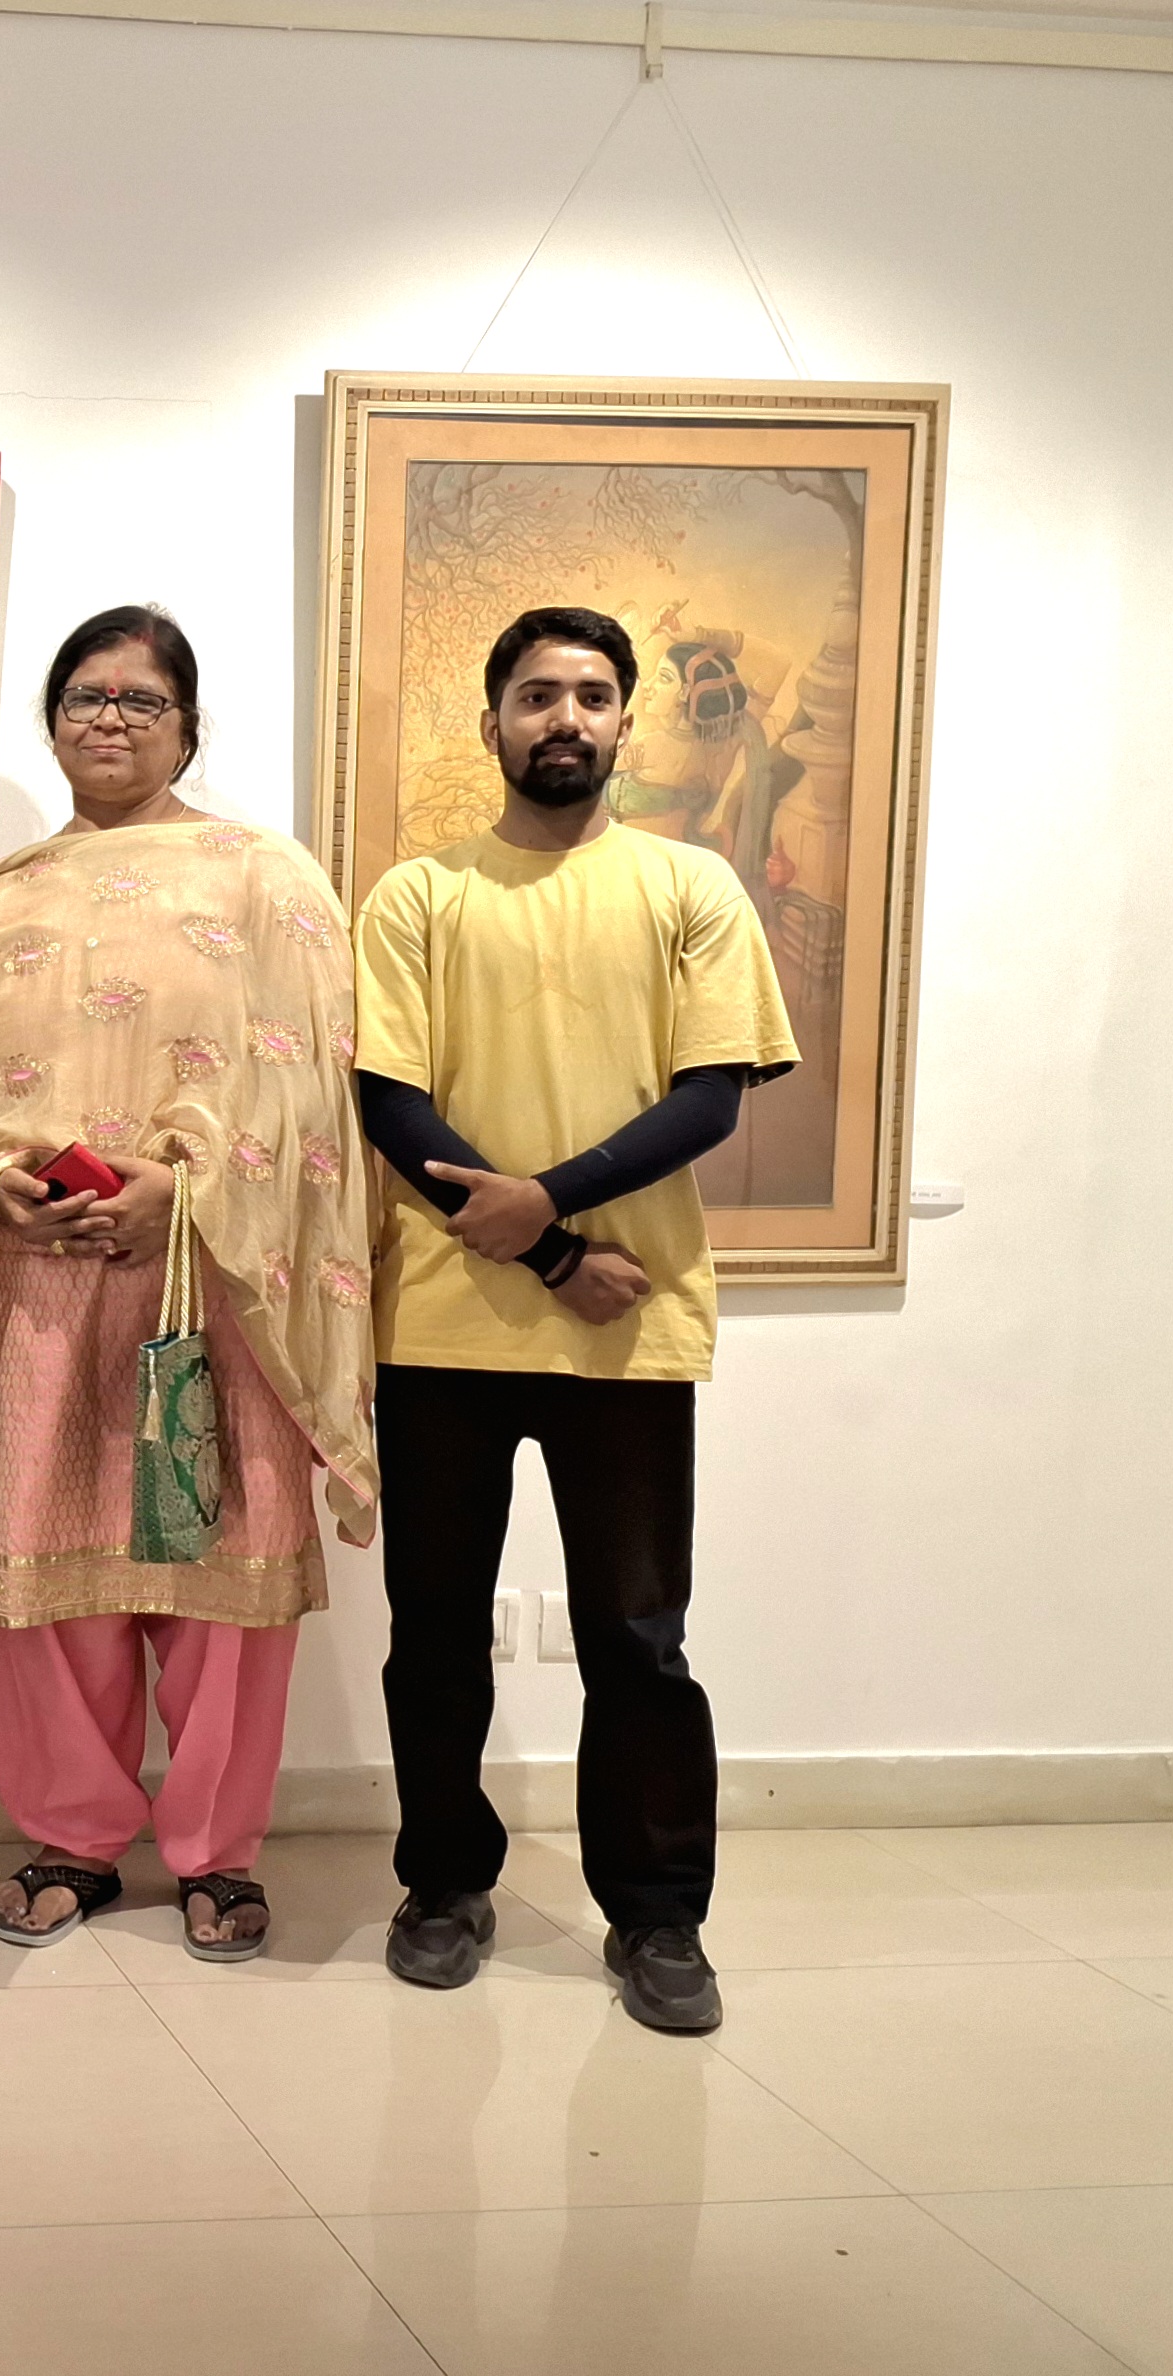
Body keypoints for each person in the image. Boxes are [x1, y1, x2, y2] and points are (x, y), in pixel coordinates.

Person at [0, 606, 378, 1958]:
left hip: (215, 1286)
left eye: (142, 700)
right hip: (26, 1284)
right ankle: (72, 1833)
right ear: (51, 720)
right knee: (39, 1574)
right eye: (85, 696)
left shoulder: (269, 884)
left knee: (214, 1569)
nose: (109, 719)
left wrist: (186, 1194)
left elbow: (317, 1105)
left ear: (187, 727)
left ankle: (216, 1849)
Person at [354, 604, 797, 2035]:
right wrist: (550, 1250)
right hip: (441, 1330)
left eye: (591, 696)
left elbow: (709, 1096)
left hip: (630, 1326)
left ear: (624, 722)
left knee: (636, 1637)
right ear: (490, 720)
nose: (565, 718)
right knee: (433, 1630)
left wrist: (543, 1203)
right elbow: (387, 1101)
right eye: (537, 694)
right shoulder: (418, 896)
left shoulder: (690, 886)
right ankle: (443, 1883)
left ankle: (658, 1916)